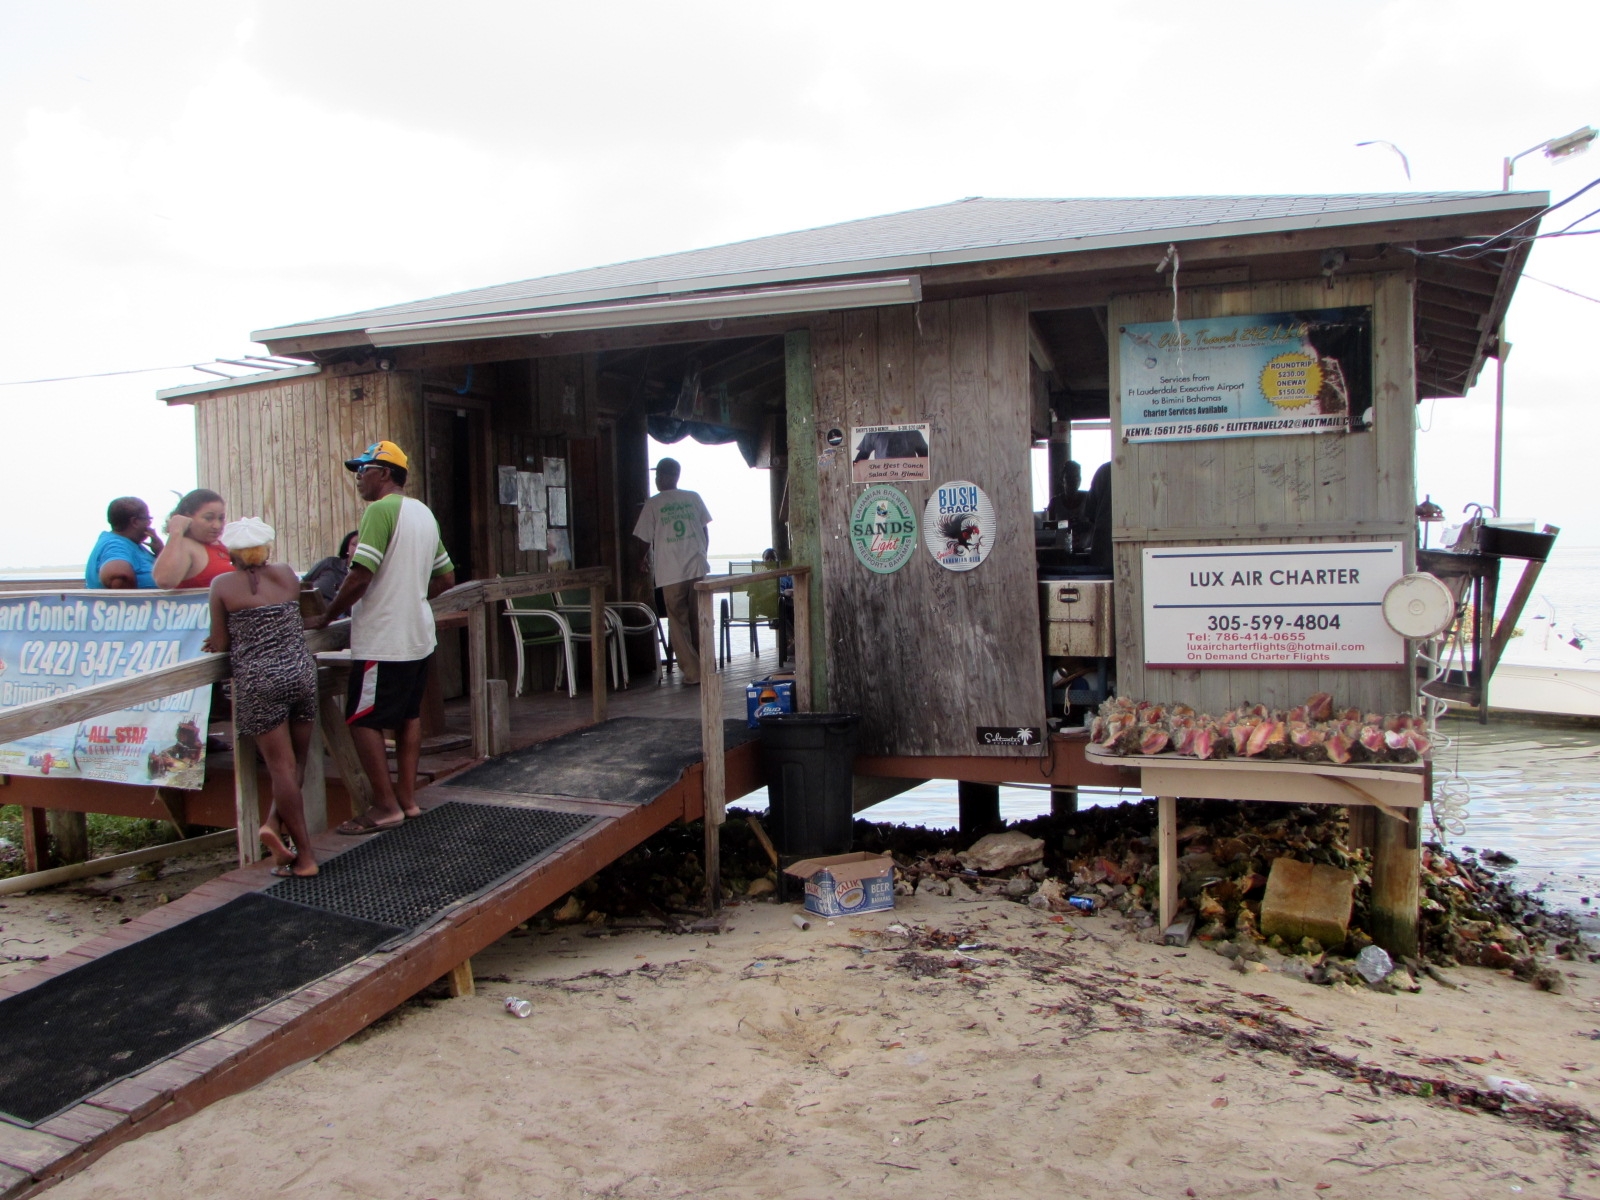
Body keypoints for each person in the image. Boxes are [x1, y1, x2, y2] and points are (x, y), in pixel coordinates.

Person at [306, 441, 456, 834]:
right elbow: (446, 578)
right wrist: (411, 596)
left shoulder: (378, 510)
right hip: (418, 634)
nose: (358, 478)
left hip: (384, 637)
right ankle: (407, 800)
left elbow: (360, 574)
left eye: (363, 470)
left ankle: (385, 806)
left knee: (361, 718)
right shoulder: (423, 514)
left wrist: (327, 615)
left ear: (385, 473)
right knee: (408, 716)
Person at [202, 517, 320, 877]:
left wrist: (212, 645)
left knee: (279, 769)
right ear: (266, 548)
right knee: (296, 764)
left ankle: (306, 858)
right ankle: (272, 823)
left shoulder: (222, 584)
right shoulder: (286, 574)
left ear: (230, 552)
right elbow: (302, 616)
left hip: (260, 682)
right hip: (301, 673)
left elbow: (220, 642)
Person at [632, 458, 711, 686]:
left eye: (658, 476)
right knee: (700, 619)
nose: (656, 479)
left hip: (671, 571)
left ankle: (694, 673)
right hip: (697, 567)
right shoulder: (693, 498)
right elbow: (705, 532)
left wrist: (641, 559)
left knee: (678, 623)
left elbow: (643, 539)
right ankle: (707, 668)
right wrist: (701, 555)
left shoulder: (654, 504)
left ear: (667, 477)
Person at [153, 489, 231, 589]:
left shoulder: (220, 546)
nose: (217, 525)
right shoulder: (184, 546)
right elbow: (164, 581)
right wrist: (176, 532)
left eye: (221, 518)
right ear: (187, 517)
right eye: (209, 518)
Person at [85, 497, 164, 589]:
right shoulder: (116, 545)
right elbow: (118, 577)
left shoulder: (130, 544)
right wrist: (135, 602)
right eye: (147, 518)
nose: (149, 523)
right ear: (134, 522)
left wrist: (161, 552)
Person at [303, 530, 359, 604]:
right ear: (347, 548)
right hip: (312, 609)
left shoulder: (367, 574)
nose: (358, 548)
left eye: (361, 545)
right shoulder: (330, 563)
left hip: (342, 613)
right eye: (354, 544)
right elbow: (304, 583)